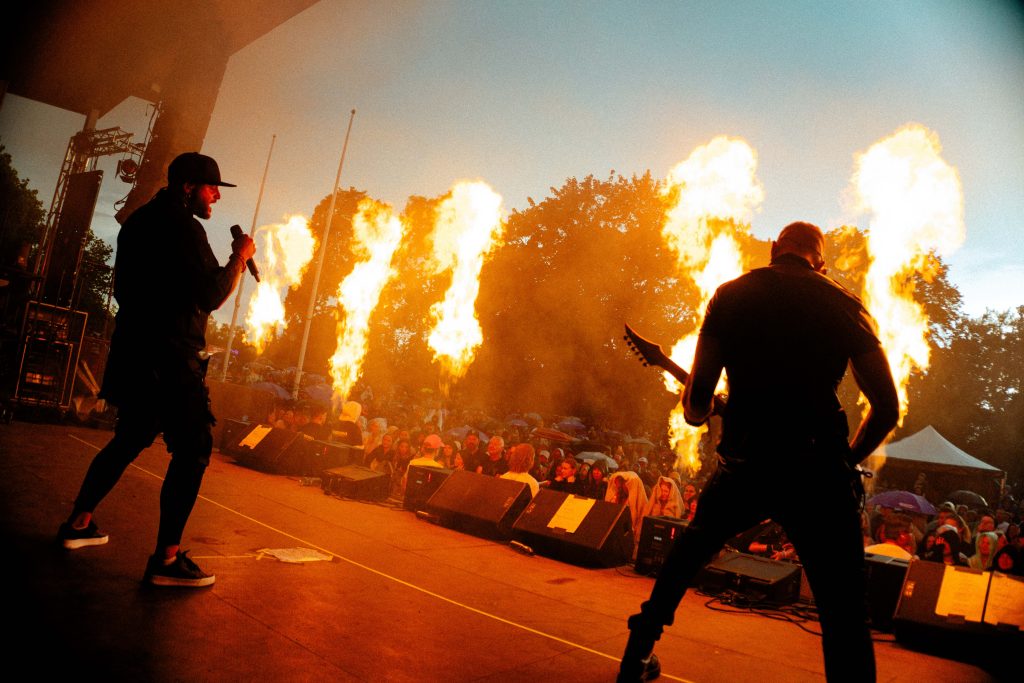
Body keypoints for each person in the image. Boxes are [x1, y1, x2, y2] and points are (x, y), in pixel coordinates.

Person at [618, 222, 899, 682]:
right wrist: (845, 461)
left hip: (746, 467)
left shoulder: (730, 295)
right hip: (818, 474)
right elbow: (886, 408)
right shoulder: (846, 305)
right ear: (821, 262)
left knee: (685, 559)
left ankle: (635, 657)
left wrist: (700, 407)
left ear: (773, 249)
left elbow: (696, 403)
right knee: (844, 612)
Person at [57, 152, 255, 588]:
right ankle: (166, 560)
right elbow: (212, 295)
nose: (216, 197)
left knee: (129, 437)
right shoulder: (184, 228)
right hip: (171, 359)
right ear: (188, 186)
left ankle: (78, 523)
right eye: (211, 187)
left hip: (134, 351)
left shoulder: (139, 222)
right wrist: (239, 258)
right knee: (194, 448)